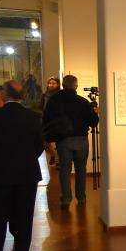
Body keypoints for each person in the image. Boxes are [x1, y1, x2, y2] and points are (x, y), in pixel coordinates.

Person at [0, 81, 44, 251]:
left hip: (0, 172)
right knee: (24, 214)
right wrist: (27, 158)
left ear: (5, 94)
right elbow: (39, 145)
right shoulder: (33, 116)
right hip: (27, 172)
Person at [43, 75, 99, 209]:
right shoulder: (82, 101)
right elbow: (93, 122)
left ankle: (66, 199)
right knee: (81, 169)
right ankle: (81, 197)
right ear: (76, 86)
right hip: (81, 139)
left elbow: (46, 119)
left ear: (62, 84)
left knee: (65, 169)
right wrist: (95, 113)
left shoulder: (54, 100)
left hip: (63, 140)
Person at [41, 76, 61, 166]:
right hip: (46, 120)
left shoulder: (60, 95)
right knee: (44, 141)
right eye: (49, 83)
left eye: (53, 83)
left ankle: (58, 158)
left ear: (57, 84)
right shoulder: (44, 95)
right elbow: (41, 107)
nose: (51, 85)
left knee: (58, 140)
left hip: (56, 121)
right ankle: (53, 154)